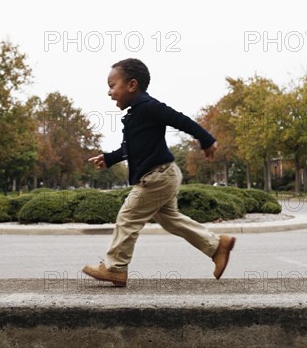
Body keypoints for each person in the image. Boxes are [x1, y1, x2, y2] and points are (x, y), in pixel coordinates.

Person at [83, 58, 236, 287]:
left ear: (132, 85)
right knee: (170, 220)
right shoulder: (136, 113)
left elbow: (179, 119)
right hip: (165, 174)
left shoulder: (148, 107)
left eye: (112, 85)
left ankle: (115, 268)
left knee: (128, 217)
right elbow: (130, 148)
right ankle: (216, 246)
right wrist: (109, 158)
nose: (109, 92)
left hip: (158, 176)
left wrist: (206, 139)